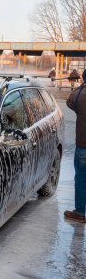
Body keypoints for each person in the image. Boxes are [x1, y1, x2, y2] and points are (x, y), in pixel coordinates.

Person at [64, 69, 86, 223]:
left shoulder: (80, 95)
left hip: (83, 145)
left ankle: (80, 212)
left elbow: (69, 102)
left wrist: (80, 85)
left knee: (81, 178)